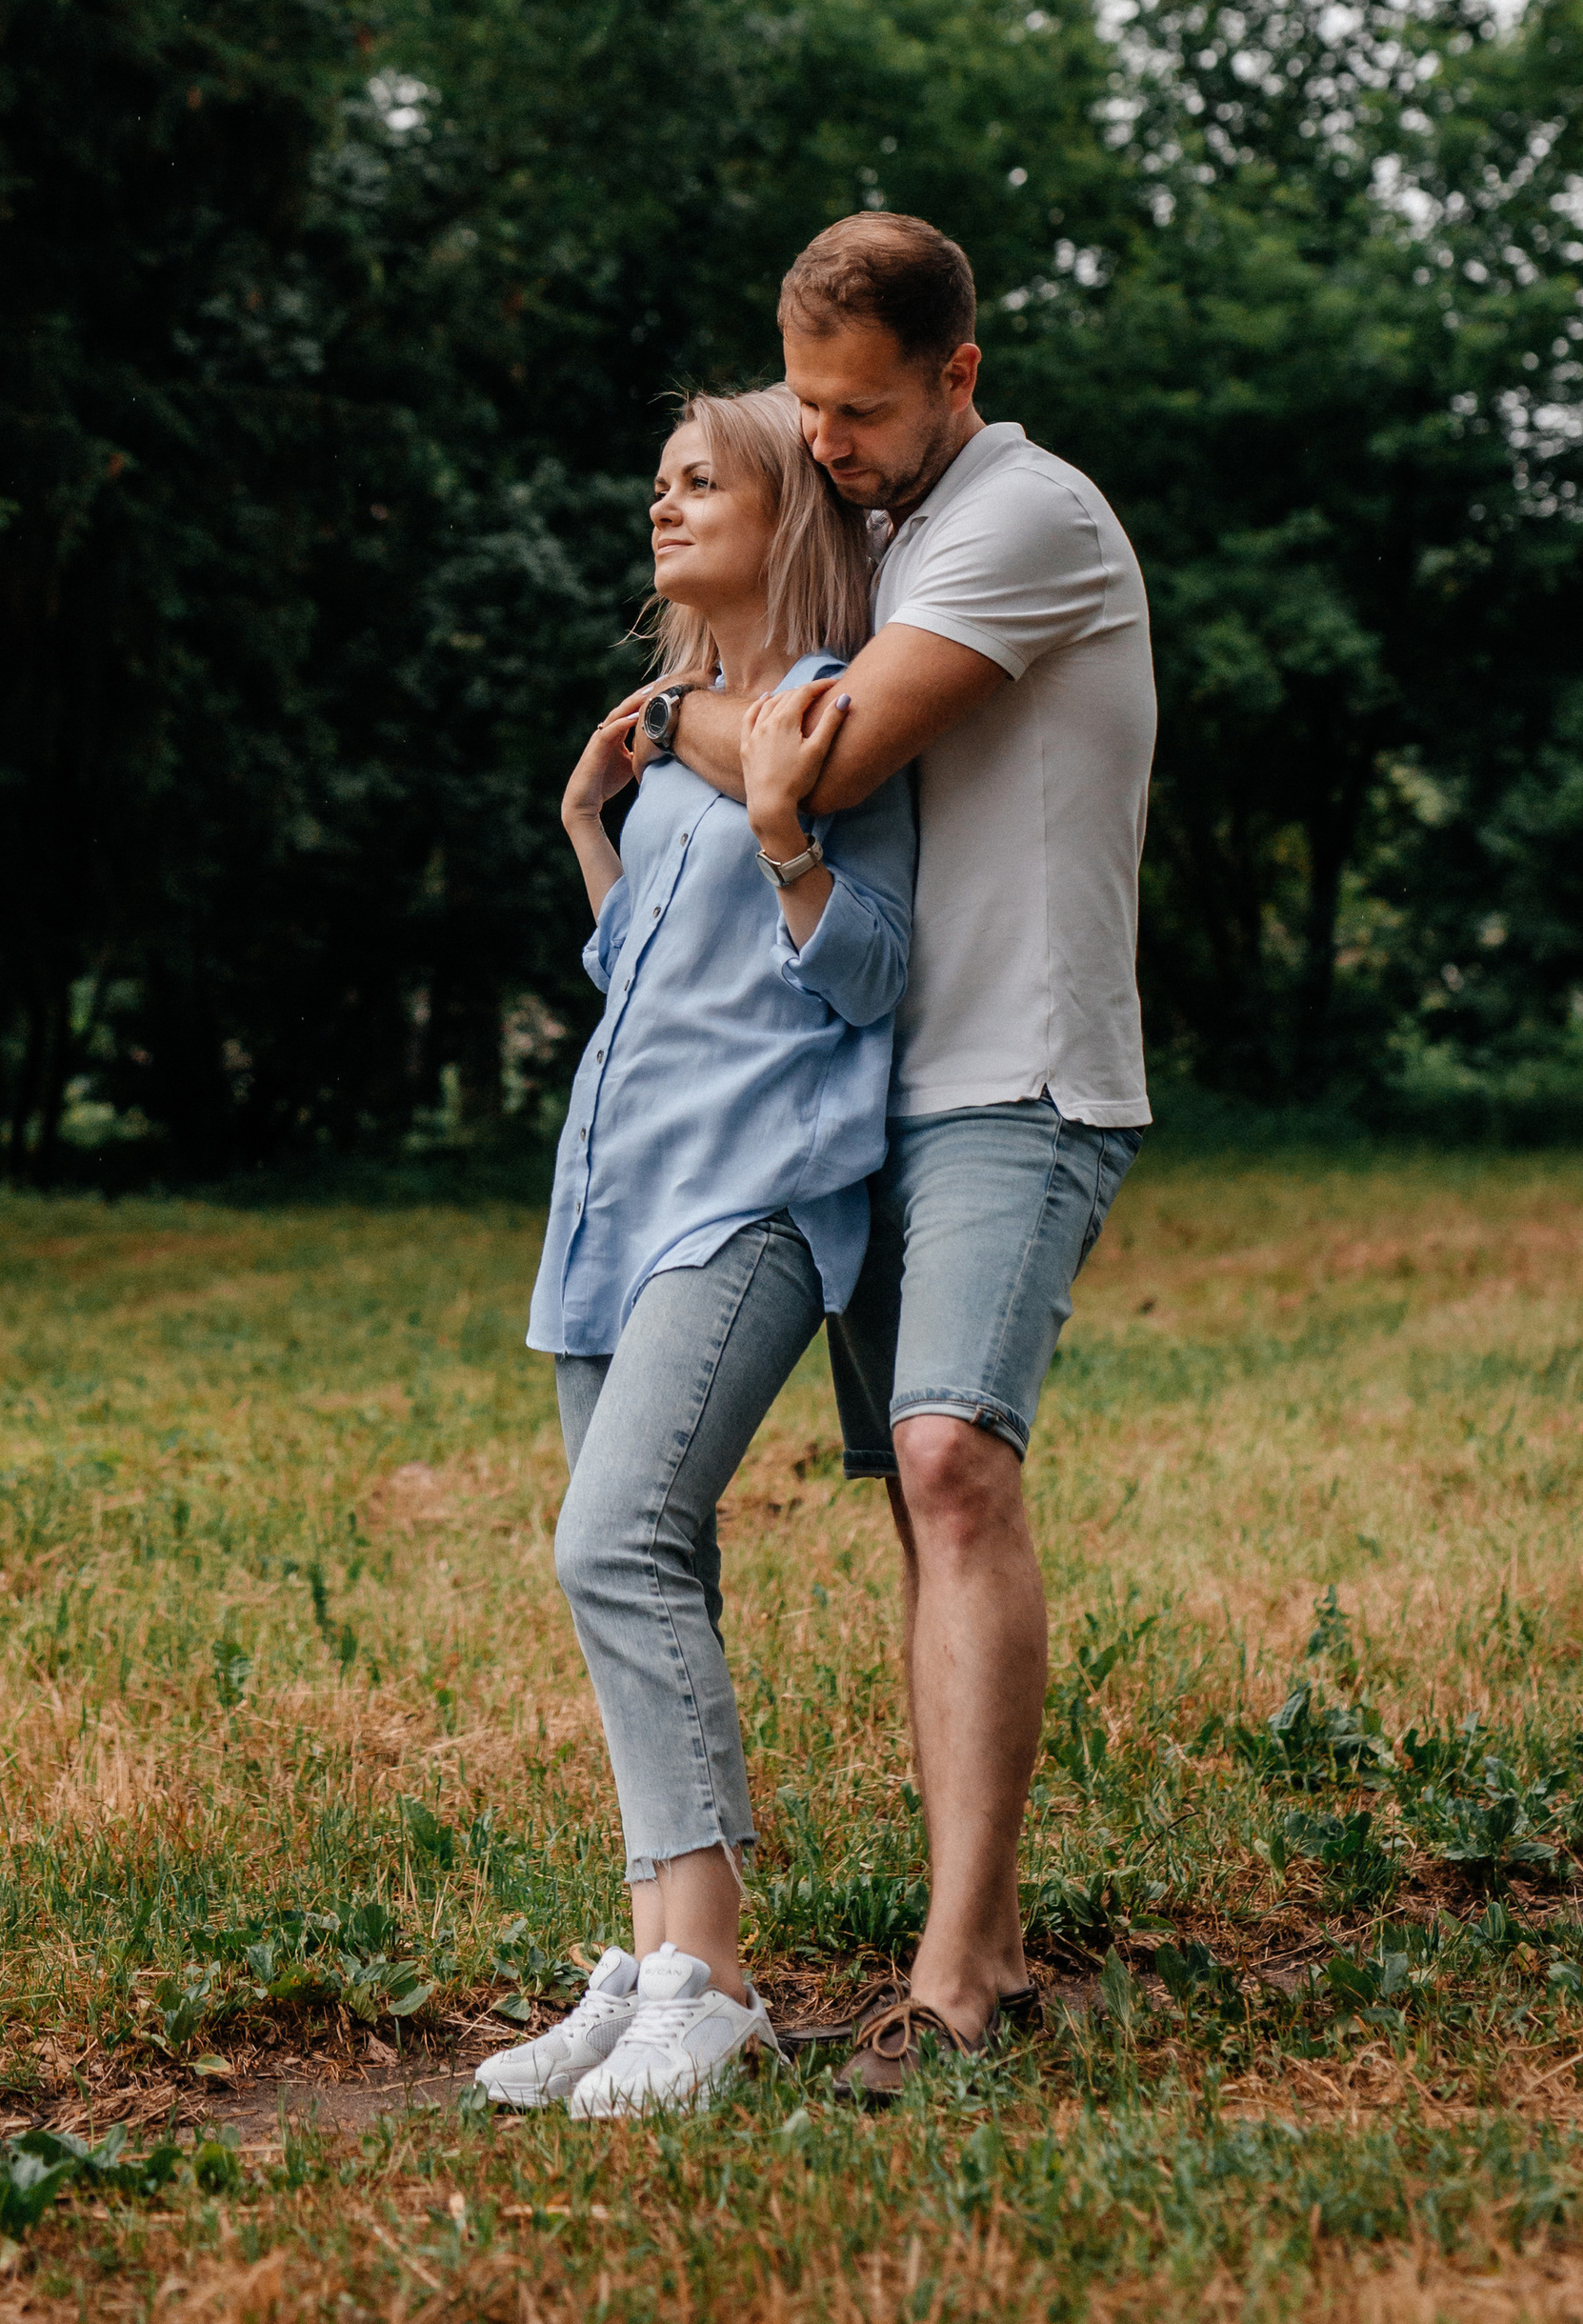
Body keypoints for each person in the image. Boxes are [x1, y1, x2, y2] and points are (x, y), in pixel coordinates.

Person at [654, 215, 1155, 2102]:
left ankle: (958, 1987)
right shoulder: (871, 524)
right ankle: (986, 1937)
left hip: (1013, 1079)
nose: (828, 444)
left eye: (858, 411)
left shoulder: (1023, 519)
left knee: (952, 1459)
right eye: (804, 408)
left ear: (959, 373)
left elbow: (826, 763)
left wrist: (655, 725)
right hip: (875, 1083)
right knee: (913, 1493)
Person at [475, 387, 917, 2120]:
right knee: (640, 1577)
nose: (663, 506)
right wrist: (591, 828)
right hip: (614, 1197)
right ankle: (654, 1952)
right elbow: (659, 984)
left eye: (700, 480)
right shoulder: (675, 734)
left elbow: (871, 966)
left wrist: (788, 825)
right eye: (653, 481)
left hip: (752, 1197)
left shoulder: (825, 716)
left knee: (618, 1543)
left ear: (785, 505)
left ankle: (714, 1985)